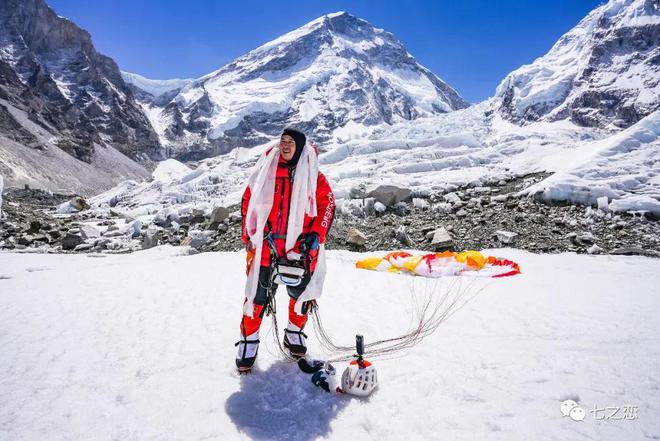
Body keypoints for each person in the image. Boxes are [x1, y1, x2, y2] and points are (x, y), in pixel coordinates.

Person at [236, 128, 335, 373]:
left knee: (301, 296)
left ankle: (294, 333)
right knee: (257, 296)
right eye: (283, 141)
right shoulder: (266, 171)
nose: (285, 145)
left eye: (291, 142)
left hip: (299, 249)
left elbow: (327, 206)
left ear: (300, 146)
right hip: (266, 248)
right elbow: (248, 199)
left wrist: (315, 235)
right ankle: (249, 341)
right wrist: (249, 232)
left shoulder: (314, 176)